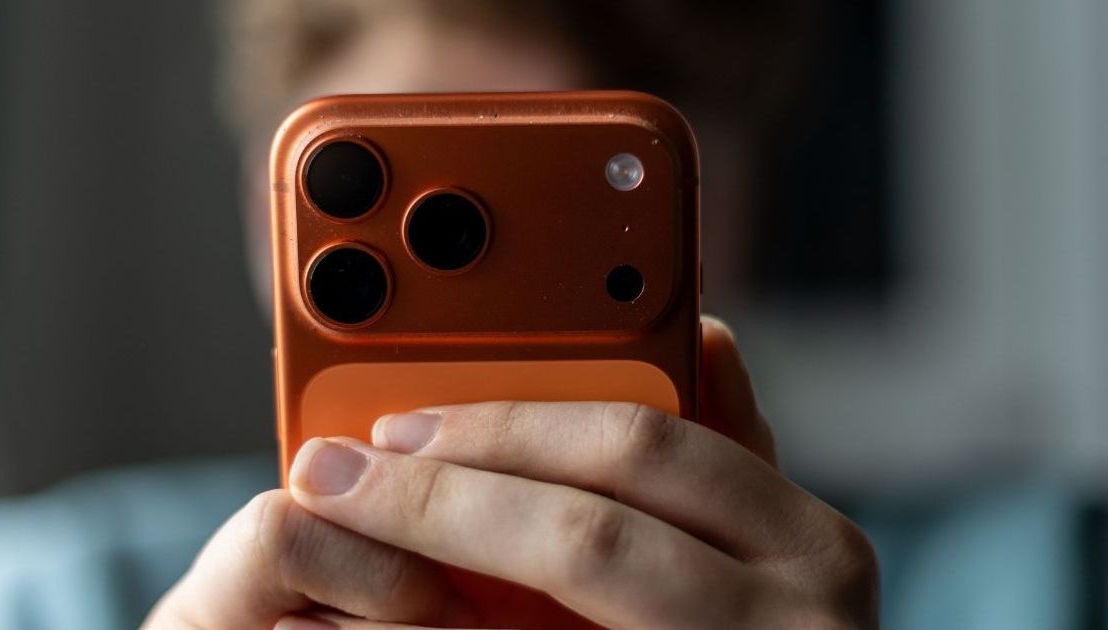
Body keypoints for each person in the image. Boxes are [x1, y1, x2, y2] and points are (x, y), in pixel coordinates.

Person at [143, 1, 878, 628]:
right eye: (445, 192)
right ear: (267, 215)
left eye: (597, 189)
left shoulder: (946, 592)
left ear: (743, 206)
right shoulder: (74, 587)